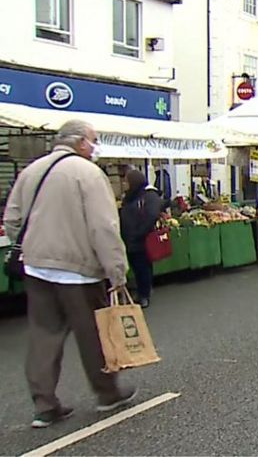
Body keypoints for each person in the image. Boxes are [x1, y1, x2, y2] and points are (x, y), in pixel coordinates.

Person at [3, 120, 137, 429]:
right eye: (94, 140)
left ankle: (44, 405)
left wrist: (31, 247)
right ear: (80, 143)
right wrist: (117, 270)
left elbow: (12, 218)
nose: (95, 146)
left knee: (43, 334)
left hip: (37, 267)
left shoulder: (32, 170)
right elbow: (104, 227)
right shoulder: (89, 174)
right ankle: (107, 393)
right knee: (92, 333)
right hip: (78, 269)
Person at [119, 169, 164, 308]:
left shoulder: (148, 196)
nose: (123, 183)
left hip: (140, 239)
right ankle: (142, 291)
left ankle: (144, 295)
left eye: (126, 180)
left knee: (142, 267)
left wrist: (139, 232)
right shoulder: (130, 196)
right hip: (129, 238)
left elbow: (152, 215)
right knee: (137, 266)